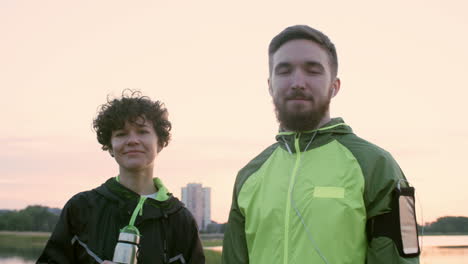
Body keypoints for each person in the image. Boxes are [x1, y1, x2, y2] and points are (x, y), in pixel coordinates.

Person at [222, 25, 420, 264]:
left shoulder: (377, 165)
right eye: (284, 71)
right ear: (270, 85)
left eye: (312, 71)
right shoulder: (248, 175)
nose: (297, 82)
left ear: (334, 86)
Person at [38, 90, 205, 264]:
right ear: (110, 147)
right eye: (121, 134)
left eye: (142, 131)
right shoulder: (81, 208)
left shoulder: (181, 220)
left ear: (160, 143)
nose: (132, 140)